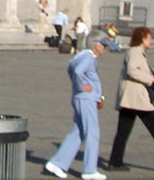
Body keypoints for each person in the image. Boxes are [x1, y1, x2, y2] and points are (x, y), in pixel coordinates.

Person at [107, 27, 154, 169]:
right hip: (136, 98)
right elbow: (132, 70)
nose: (150, 40)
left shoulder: (135, 51)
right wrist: (149, 79)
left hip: (129, 98)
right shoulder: (136, 52)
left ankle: (115, 162)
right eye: (148, 38)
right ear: (142, 38)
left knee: (123, 132)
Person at [43, 37, 109, 180]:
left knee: (78, 132)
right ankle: (89, 170)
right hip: (86, 98)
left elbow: (72, 69)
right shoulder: (89, 58)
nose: (105, 48)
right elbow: (79, 72)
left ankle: (57, 163)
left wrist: (79, 87)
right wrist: (84, 87)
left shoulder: (80, 56)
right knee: (93, 132)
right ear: (96, 46)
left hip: (79, 97)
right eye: (103, 45)